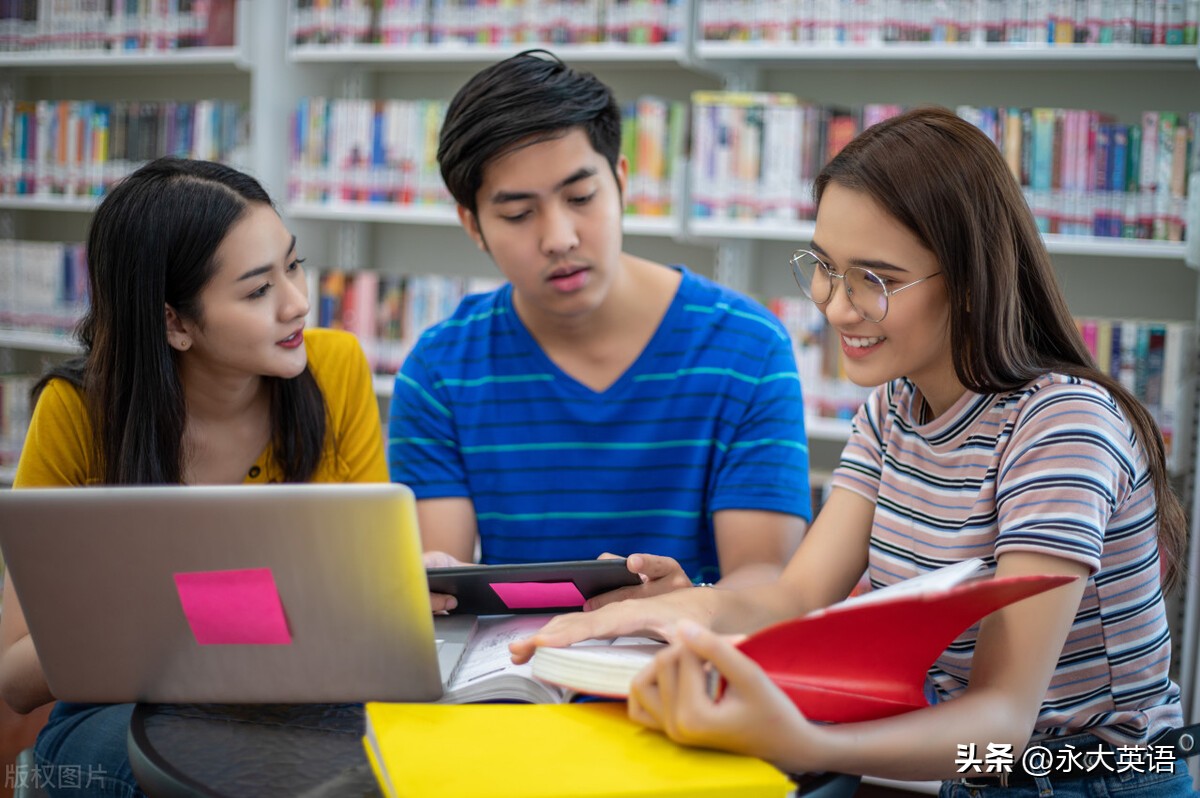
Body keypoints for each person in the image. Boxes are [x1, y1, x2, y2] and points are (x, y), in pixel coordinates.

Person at [511, 106, 1195, 796]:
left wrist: (805, 743)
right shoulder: (893, 410)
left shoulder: (1062, 425)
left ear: (969, 282)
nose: (836, 308)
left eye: (876, 279)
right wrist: (680, 608)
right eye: (826, 268)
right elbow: (796, 597)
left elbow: (1002, 724)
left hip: (1099, 780)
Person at [0, 157, 388, 798]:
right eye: (258, 290)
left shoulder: (336, 368)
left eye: (294, 264)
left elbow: (365, 585)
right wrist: (181, 608)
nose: (298, 302)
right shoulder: (77, 414)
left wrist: (396, 583)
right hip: (126, 708)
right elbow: (15, 678)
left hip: (307, 696)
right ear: (174, 322)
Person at [388, 50, 813, 610]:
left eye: (581, 197)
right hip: (517, 660)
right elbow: (445, 577)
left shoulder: (748, 348)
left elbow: (764, 577)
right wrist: (427, 578)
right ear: (473, 224)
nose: (559, 237)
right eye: (518, 214)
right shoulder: (439, 370)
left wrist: (686, 604)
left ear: (621, 182)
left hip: (687, 654)